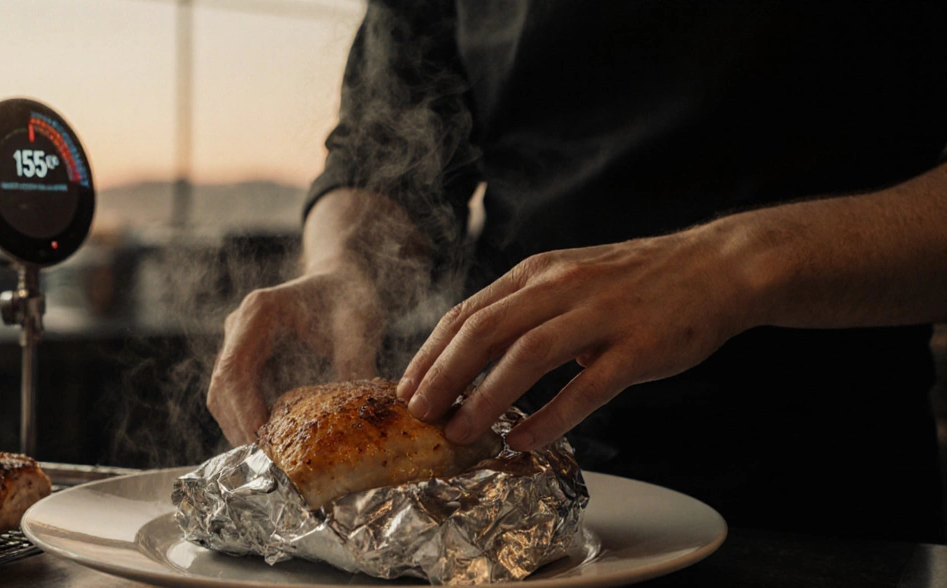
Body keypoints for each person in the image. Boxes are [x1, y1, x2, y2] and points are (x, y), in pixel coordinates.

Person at [207, 1, 947, 543]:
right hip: (486, 501)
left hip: (829, 508)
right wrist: (348, 268)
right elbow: (386, 148)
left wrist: (734, 265)